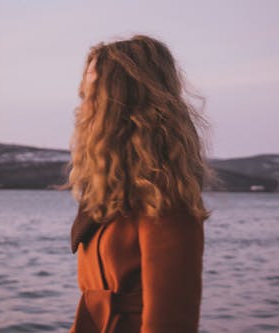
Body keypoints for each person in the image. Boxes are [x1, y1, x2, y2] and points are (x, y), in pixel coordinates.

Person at [64, 34, 213, 333]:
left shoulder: (163, 199)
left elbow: (171, 324)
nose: (83, 108)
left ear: (123, 104)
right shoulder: (110, 193)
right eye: (84, 94)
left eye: (94, 94)